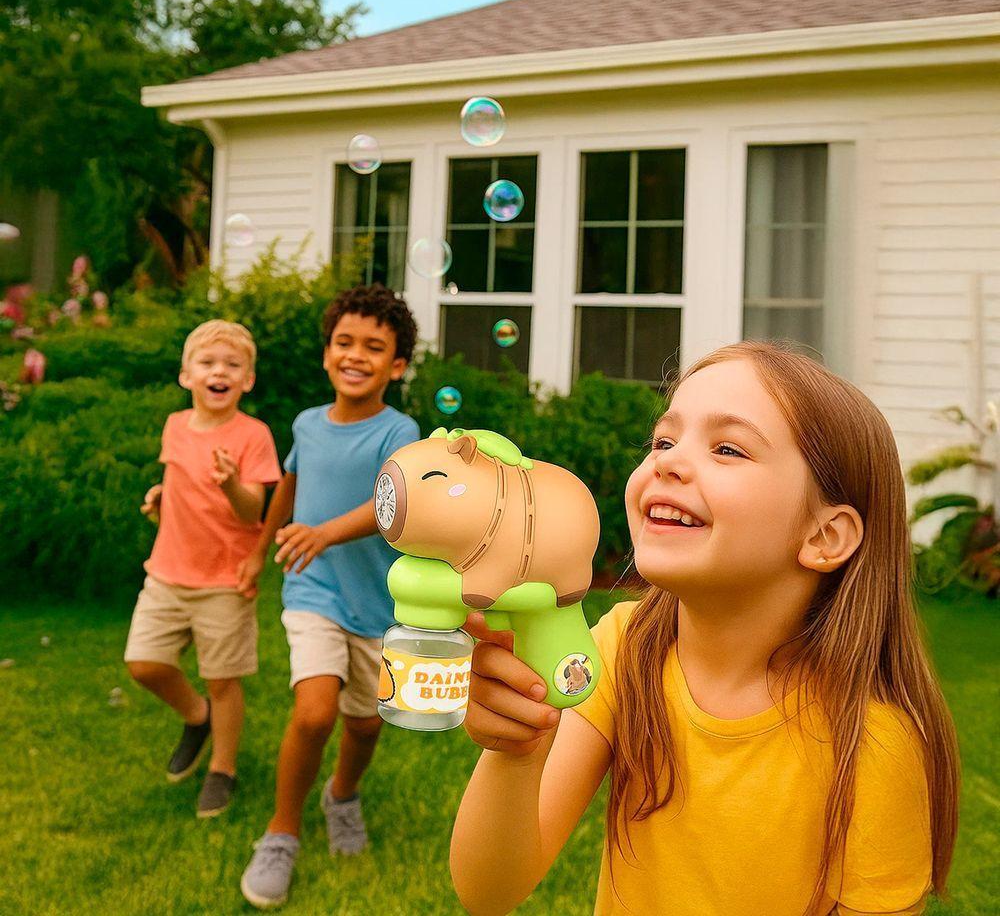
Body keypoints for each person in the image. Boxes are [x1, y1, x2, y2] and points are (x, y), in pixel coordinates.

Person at [451, 341, 960, 916]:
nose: (666, 461)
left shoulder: (871, 742)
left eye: (728, 449)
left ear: (824, 537)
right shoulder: (626, 648)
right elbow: (489, 893)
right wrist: (515, 755)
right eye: (663, 440)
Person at [238, 284, 420, 909]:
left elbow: (394, 502)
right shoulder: (307, 425)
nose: (356, 355)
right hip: (312, 589)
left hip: (377, 603)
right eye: (345, 342)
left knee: (365, 723)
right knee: (315, 712)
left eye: (375, 347)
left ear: (396, 367)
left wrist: (324, 532)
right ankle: (281, 833)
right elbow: (288, 487)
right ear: (326, 354)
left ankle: (341, 795)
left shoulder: (401, 430)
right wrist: (262, 552)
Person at [124, 320, 281, 818]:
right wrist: (161, 498)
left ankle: (223, 768)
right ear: (185, 375)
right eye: (209, 363)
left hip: (224, 580)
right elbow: (178, 480)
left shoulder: (253, 436)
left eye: (232, 365)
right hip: (168, 571)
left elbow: (251, 511)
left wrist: (232, 483)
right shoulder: (175, 425)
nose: (220, 372)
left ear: (248, 380)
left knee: (223, 678)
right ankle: (197, 717)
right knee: (144, 664)